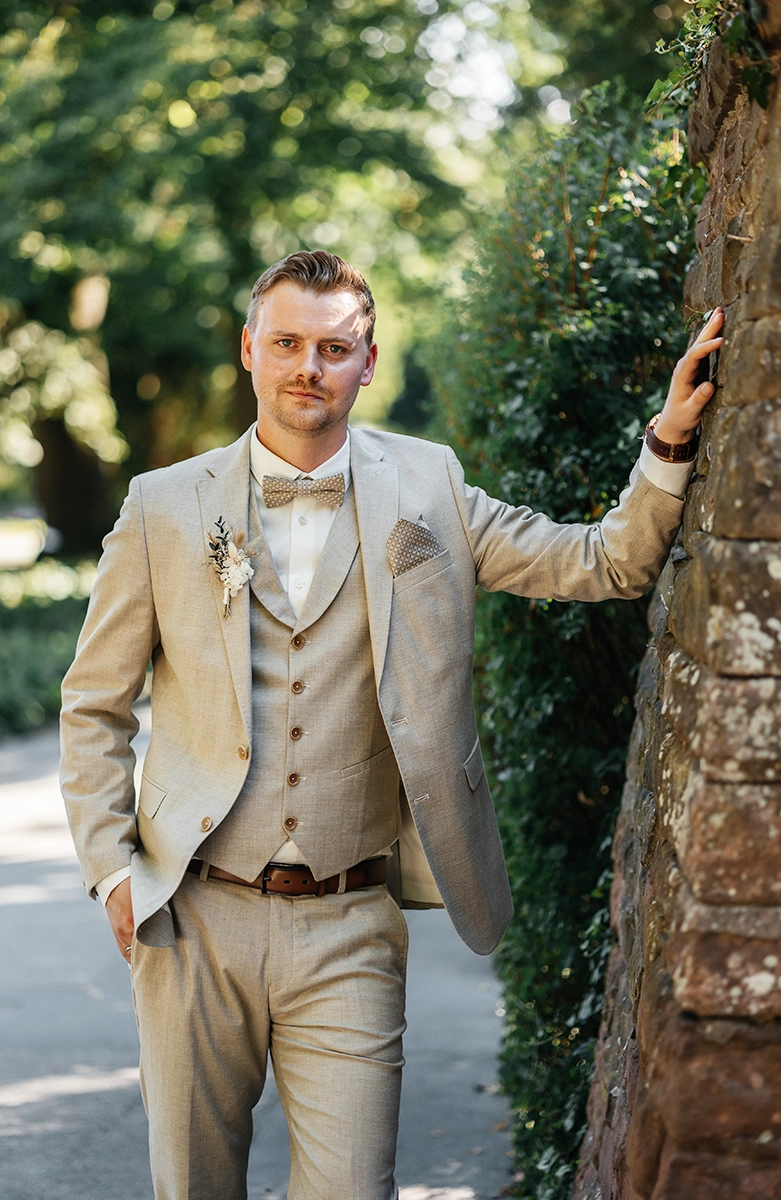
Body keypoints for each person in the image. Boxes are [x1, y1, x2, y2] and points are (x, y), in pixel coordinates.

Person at [60, 250, 723, 1200]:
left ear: (367, 362)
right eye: (286, 343)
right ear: (250, 350)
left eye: (334, 347)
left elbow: (602, 564)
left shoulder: (431, 486)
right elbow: (93, 703)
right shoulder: (164, 506)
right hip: (194, 918)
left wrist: (666, 442)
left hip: (351, 921)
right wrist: (112, 872)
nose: (308, 368)